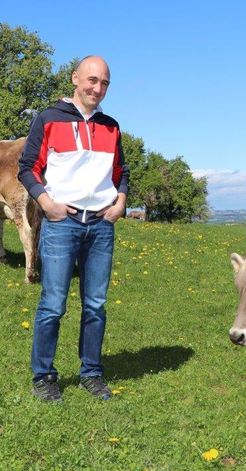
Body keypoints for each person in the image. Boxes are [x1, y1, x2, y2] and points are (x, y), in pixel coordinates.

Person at [18, 55, 129, 402]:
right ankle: (44, 376)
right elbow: (27, 167)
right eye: (92, 80)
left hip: (100, 225)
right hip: (62, 223)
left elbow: (120, 171)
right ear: (75, 79)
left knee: (95, 304)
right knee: (53, 303)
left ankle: (91, 373)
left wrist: (121, 201)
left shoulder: (111, 126)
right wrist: (47, 203)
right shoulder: (49, 119)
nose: (98, 88)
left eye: (105, 83)